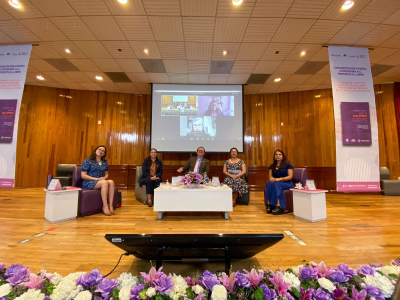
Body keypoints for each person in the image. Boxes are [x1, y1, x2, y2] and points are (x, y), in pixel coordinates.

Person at [81, 145, 115, 216]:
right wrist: (97, 179)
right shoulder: (88, 161)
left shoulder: (104, 162)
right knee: (104, 183)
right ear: (95, 150)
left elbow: (106, 174)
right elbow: (83, 175)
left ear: (104, 154)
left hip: (101, 181)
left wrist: (104, 177)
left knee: (111, 182)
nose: (101, 151)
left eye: (103, 151)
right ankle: (105, 206)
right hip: (89, 182)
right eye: (99, 149)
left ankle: (111, 206)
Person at [264, 150, 294, 215]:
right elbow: (270, 177)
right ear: (274, 156)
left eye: (279, 154)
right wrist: (272, 179)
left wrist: (279, 179)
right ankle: (269, 204)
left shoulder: (288, 165)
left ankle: (278, 205)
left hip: (287, 183)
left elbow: (290, 177)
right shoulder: (272, 166)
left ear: (282, 156)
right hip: (276, 182)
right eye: (276, 154)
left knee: (276, 185)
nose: (278, 156)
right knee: (269, 184)